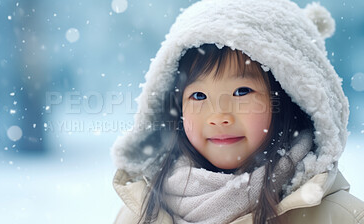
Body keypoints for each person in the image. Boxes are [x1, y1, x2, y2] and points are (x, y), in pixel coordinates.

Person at [111, 0, 364, 223]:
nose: (219, 117)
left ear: (291, 97)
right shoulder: (142, 213)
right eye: (199, 96)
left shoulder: (338, 217)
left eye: (242, 92)